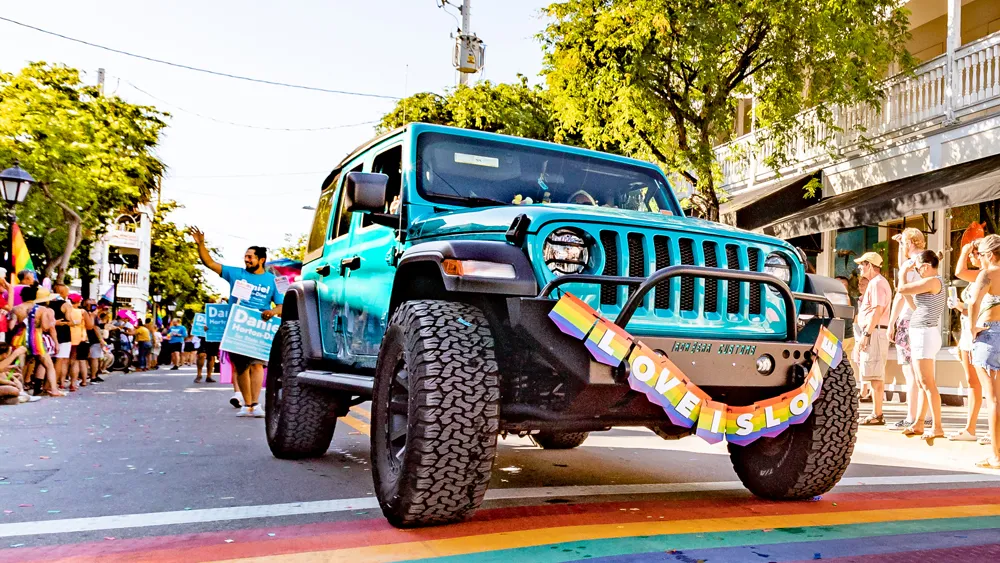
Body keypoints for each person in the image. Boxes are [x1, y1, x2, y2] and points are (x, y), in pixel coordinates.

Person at [190, 227, 283, 418]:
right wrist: (200, 244)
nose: (246, 260)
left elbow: (282, 305)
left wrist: (272, 311)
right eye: (245, 257)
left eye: (250, 257)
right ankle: (246, 405)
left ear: (261, 260)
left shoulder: (274, 281)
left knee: (257, 365)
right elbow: (209, 263)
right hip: (237, 327)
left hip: (258, 328)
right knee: (241, 367)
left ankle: (256, 404)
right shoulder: (235, 273)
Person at [896, 250, 946, 440]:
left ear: (926, 266)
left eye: (918, 269)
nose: (917, 272)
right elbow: (912, 303)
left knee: (928, 383)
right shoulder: (929, 283)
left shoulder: (933, 281)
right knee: (921, 382)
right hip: (921, 334)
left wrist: (903, 273)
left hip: (925, 335)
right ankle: (919, 423)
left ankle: (937, 427)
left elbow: (901, 289)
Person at [887, 228, 927, 430]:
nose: (901, 246)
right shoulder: (927, 262)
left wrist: (891, 322)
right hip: (924, 320)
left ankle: (912, 417)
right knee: (922, 371)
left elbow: (901, 294)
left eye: (903, 243)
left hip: (908, 320)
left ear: (910, 243)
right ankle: (925, 415)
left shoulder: (909, 265)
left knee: (909, 371)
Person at [948, 240, 987, 443]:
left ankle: (994, 431)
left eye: (973, 253)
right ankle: (970, 429)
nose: (970, 257)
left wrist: (964, 249)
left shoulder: (987, 274)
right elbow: (971, 307)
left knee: (990, 385)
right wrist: (959, 305)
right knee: (972, 382)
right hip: (967, 332)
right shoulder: (977, 277)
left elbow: (959, 271)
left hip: (983, 332)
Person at [968, 235, 1000, 469]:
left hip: (989, 335)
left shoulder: (987, 274)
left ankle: (996, 456)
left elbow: (973, 302)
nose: (979, 258)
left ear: (989, 254)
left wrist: (972, 328)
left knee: (993, 399)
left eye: (980, 254)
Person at [855, 252, 892, 425]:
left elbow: (878, 310)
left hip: (874, 332)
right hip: (874, 331)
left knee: (875, 376)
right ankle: (876, 413)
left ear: (869, 265)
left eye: (862, 264)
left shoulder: (876, 283)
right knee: (874, 375)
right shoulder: (877, 283)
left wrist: (866, 334)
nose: (859, 267)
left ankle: (877, 414)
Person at [47, 283, 74, 389]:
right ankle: (53, 385)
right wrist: (72, 322)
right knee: (60, 360)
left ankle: (45, 384)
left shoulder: (48, 303)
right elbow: (69, 320)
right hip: (63, 334)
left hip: (48, 333)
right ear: (63, 292)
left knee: (48, 360)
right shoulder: (66, 305)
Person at [83, 299, 107, 383]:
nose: (95, 306)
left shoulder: (83, 312)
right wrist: (101, 339)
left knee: (86, 358)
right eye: (93, 305)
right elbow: (95, 327)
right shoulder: (92, 315)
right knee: (94, 358)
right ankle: (93, 376)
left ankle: (87, 376)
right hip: (93, 338)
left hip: (84, 337)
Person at [67, 294, 86, 390]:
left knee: (64, 361)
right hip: (79, 337)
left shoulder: (66, 310)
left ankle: (61, 382)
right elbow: (89, 325)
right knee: (75, 361)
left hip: (66, 336)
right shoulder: (82, 311)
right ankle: (73, 383)